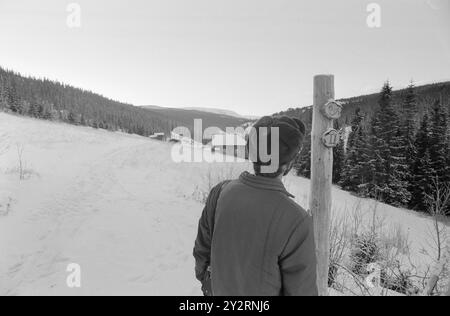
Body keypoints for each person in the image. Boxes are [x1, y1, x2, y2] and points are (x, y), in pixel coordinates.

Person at [193, 115, 318, 296]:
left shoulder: (220, 191)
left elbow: (202, 251)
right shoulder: (297, 221)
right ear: (289, 164)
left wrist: (208, 284)